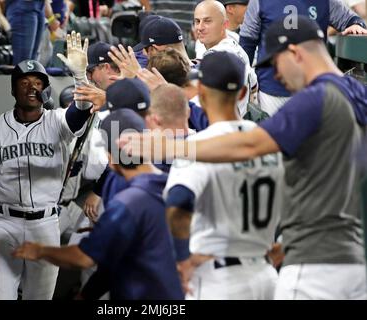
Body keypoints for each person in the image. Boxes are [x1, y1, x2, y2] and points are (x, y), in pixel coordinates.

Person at [120, 17, 367, 300]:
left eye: (275, 65)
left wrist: (171, 148)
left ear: (295, 53)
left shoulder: (317, 96)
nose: (276, 77)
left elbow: (249, 145)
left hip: (309, 270)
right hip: (349, 259)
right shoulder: (358, 95)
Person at [0, 32, 99, 300]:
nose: (32, 87)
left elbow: (80, 114)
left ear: (44, 89)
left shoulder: (57, 121)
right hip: (4, 225)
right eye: (25, 82)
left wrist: (80, 77)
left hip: (45, 225)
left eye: (38, 82)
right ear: (13, 88)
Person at [13, 109, 184, 300]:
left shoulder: (129, 203)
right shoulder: (176, 186)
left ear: (110, 159)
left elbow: (82, 258)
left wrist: (40, 251)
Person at [164, 51, 282, 299]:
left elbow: (177, 203)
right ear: (241, 94)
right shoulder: (266, 142)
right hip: (266, 275)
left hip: (219, 280)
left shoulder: (198, 146)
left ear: (202, 94)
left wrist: (182, 259)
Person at [239, 0, 367, 115]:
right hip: (272, 86)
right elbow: (247, 42)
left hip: (313, 86)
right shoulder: (260, 1)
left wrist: (356, 25)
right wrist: (245, 80)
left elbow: (352, 20)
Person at [194, 0, 258, 117]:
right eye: (197, 21)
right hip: (239, 121)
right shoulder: (237, 48)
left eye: (207, 21)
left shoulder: (218, 56)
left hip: (226, 125)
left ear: (225, 24)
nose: (200, 27)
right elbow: (254, 85)